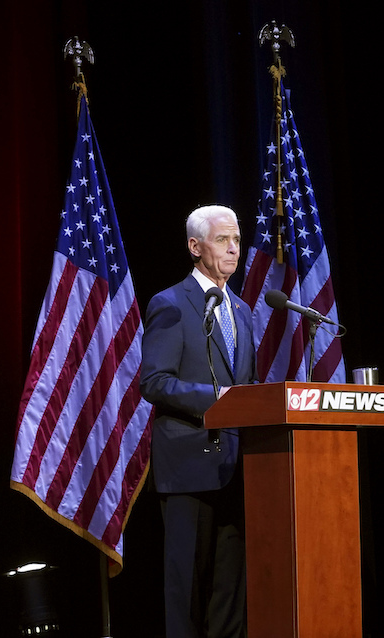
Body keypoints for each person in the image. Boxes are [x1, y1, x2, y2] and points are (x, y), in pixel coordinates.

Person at [140, 204, 256, 637]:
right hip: (188, 469)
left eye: (237, 240)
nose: (233, 249)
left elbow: (248, 383)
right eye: (222, 239)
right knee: (188, 594)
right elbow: (154, 382)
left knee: (230, 596)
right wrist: (218, 400)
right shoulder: (169, 304)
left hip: (237, 470)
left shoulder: (242, 311)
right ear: (195, 246)